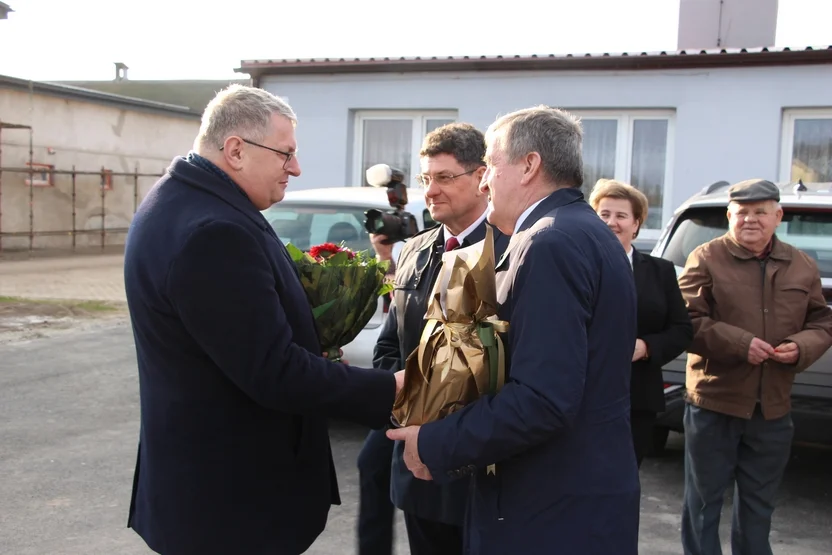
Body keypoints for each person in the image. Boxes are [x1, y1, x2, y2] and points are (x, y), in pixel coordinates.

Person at [123, 84, 403, 555]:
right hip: (230, 508)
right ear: (235, 150)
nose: (295, 167)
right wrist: (391, 389)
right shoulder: (213, 232)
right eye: (286, 154)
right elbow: (272, 372)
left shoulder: (186, 201)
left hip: (213, 494)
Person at [388, 106, 641, 554]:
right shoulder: (584, 230)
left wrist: (437, 439)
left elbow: (543, 400)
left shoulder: (549, 242)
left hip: (548, 508)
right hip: (577, 497)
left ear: (529, 166)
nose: (484, 181)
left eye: (492, 165)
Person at [356, 123, 509, 555]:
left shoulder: (514, 250)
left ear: (482, 178)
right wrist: (413, 402)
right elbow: (389, 347)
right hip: (418, 464)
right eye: (427, 179)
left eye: (444, 177)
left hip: (483, 463)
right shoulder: (415, 251)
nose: (432, 190)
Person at [678, 178, 832, 555]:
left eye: (760, 212)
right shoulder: (706, 257)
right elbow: (686, 320)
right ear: (729, 215)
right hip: (714, 404)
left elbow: (822, 322)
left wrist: (799, 347)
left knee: (758, 506)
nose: (750, 219)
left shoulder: (801, 264)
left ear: (777, 216)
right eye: (742, 212)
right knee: (702, 505)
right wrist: (741, 344)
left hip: (772, 409)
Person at [589, 179, 693, 467]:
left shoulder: (660, 272)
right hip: (583, 394)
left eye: (621, 216)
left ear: (636, 224)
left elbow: (682, 329)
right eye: (604, 214)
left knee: (624, 478)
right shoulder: (577, 265)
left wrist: (646, 347)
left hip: (637, 398)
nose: (612, 222)